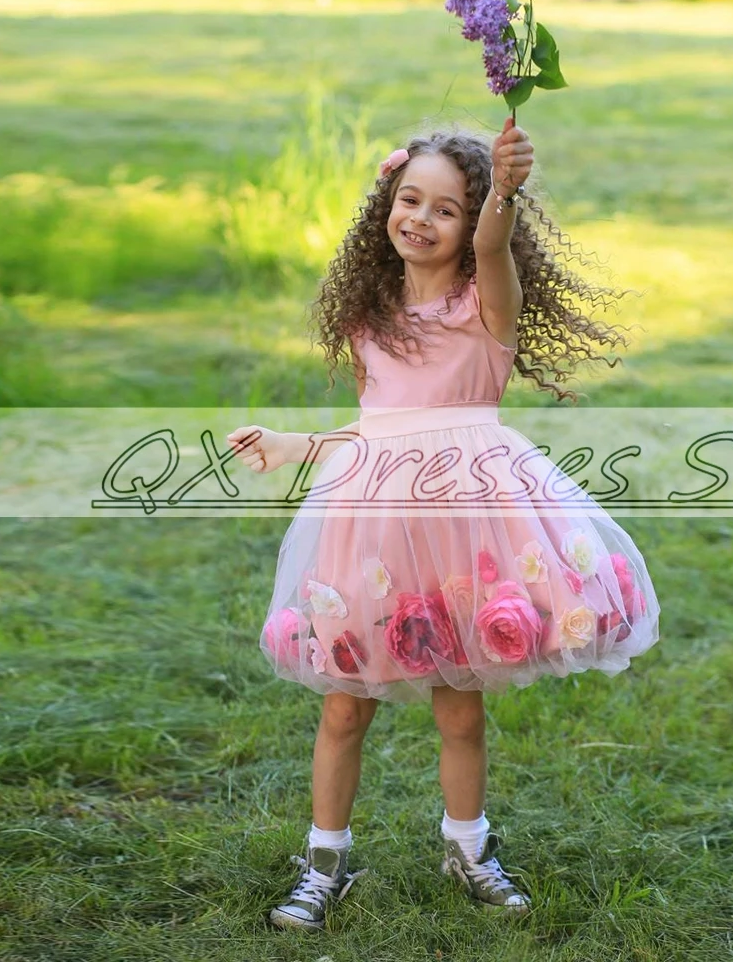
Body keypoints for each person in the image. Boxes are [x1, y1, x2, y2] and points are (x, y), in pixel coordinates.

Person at [226, 115, 661, 932]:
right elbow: (380, 426)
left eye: (447, 209)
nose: (419, 219)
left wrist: (502, 192)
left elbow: (495, 248)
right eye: (408, 199)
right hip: (374, 523)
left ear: (473, 225)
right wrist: (298, 444)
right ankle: (326, 860)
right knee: (345, 701)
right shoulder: (372, 310)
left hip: (467, 526)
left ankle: (469, 848)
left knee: (460, 704)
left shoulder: (484, 305)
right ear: (386, 203)